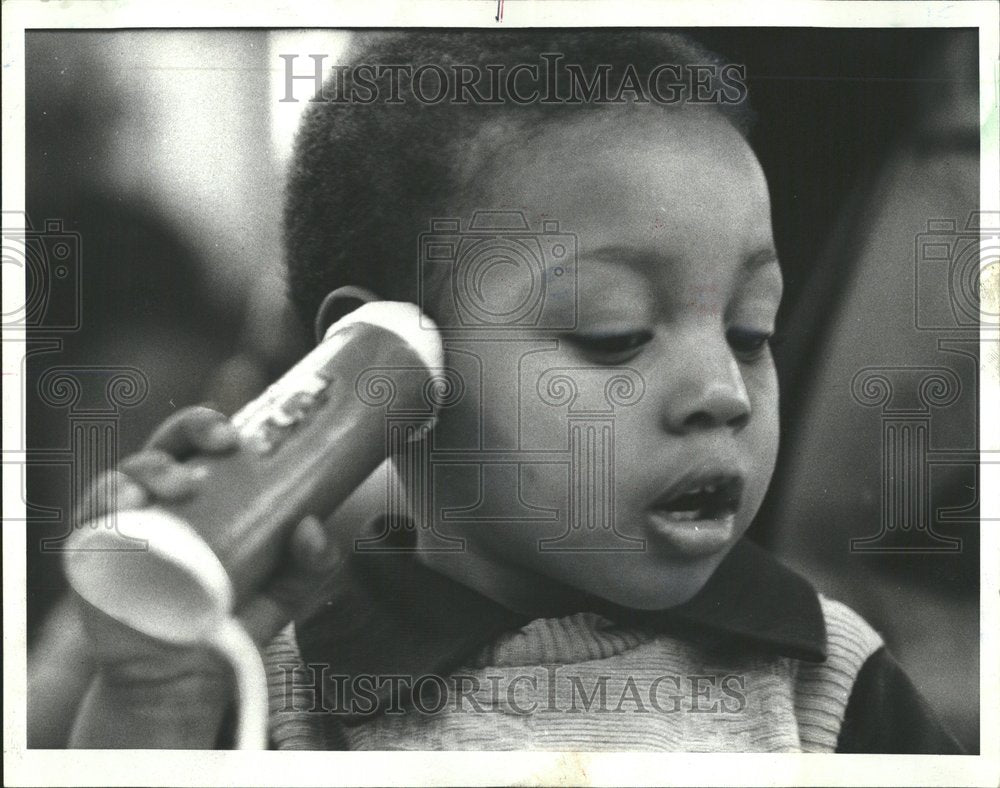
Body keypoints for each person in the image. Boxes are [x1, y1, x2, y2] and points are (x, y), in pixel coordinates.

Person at [56, 30, 962, 752]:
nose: (722, 393)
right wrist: (156, 697)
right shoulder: (285, 690)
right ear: (387, 374)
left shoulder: (827, 677)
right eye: (614, 336)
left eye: (750, 332)